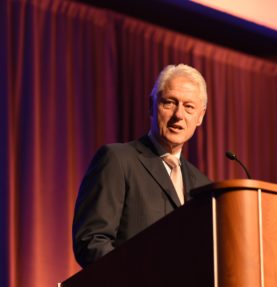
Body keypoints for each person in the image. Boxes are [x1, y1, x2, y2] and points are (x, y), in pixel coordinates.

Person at [72, 64, 211, 268]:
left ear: (200, 116)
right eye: (170, 103)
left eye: (189, 107)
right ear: (151, 106)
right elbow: (91, 241)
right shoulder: (118, 160)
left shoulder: (202, 185)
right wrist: (139, 279)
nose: (179, 115)